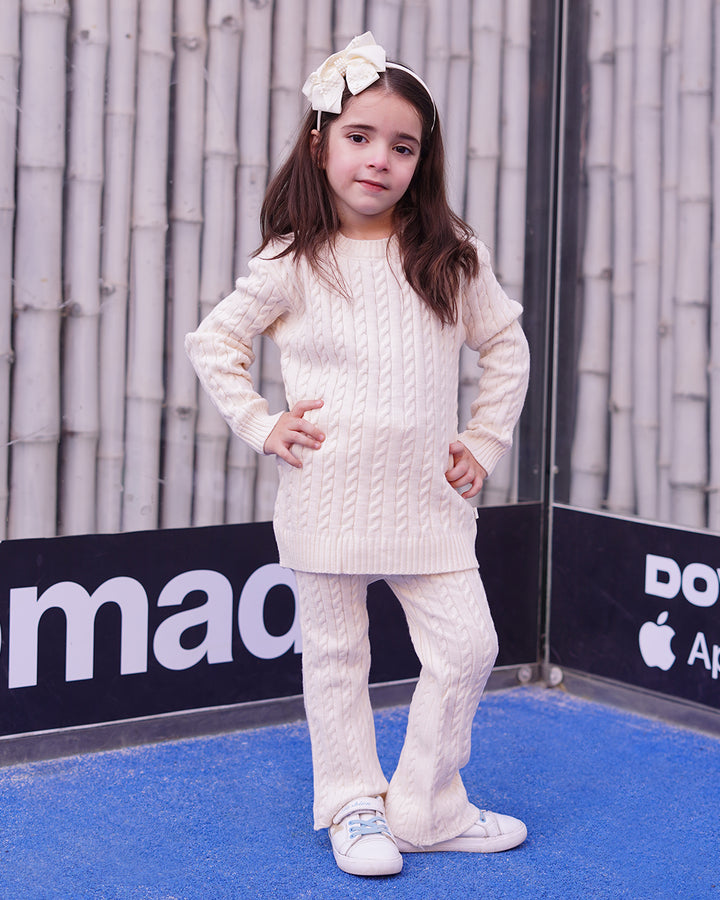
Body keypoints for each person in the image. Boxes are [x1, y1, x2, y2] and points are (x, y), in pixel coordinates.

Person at [185, 32, 530, 878]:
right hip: (326, 498)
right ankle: (350, 805)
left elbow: (507, 348)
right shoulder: (291, 261)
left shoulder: (450, 256)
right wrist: (265, 423)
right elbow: (214, 344)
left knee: (470, 647)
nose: (379, 159)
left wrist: (482, 442)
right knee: (336, 659)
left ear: (422, 160)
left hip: (428, 503)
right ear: (320, 144)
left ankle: (424, 806)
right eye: (360, 137)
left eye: (402, 146)